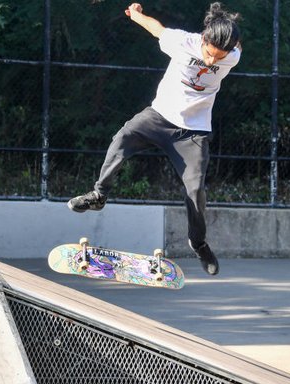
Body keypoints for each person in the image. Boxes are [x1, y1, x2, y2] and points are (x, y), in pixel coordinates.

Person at [68, 2, 242, 275]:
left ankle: (198, 243)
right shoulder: (182, 42)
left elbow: (235, 42)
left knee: (195, 189)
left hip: (193, 132)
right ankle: (99, 195)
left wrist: (227, 44)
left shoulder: (232, 54)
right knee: (123, 137)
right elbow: (156, 28)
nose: (212, 62)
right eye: (210, 54)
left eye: (219, 58)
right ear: (204, 39)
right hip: (159, 117)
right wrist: (136, 15)